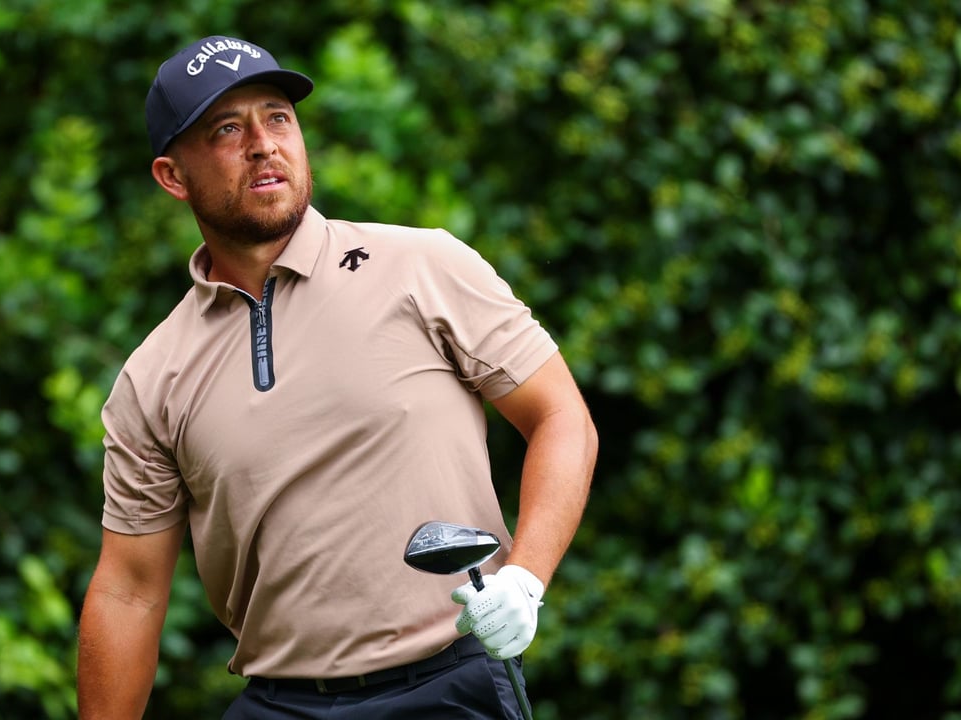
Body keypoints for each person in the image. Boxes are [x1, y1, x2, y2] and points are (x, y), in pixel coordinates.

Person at [76, 34, 598, 719]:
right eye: (228, 129)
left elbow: (561, 417)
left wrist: (525, 577)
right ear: (173, 176)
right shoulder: (153, 378)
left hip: (448, 687)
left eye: (278, 117)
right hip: (280, 704)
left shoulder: (421, 267)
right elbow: (130, 591)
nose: (264, 144)